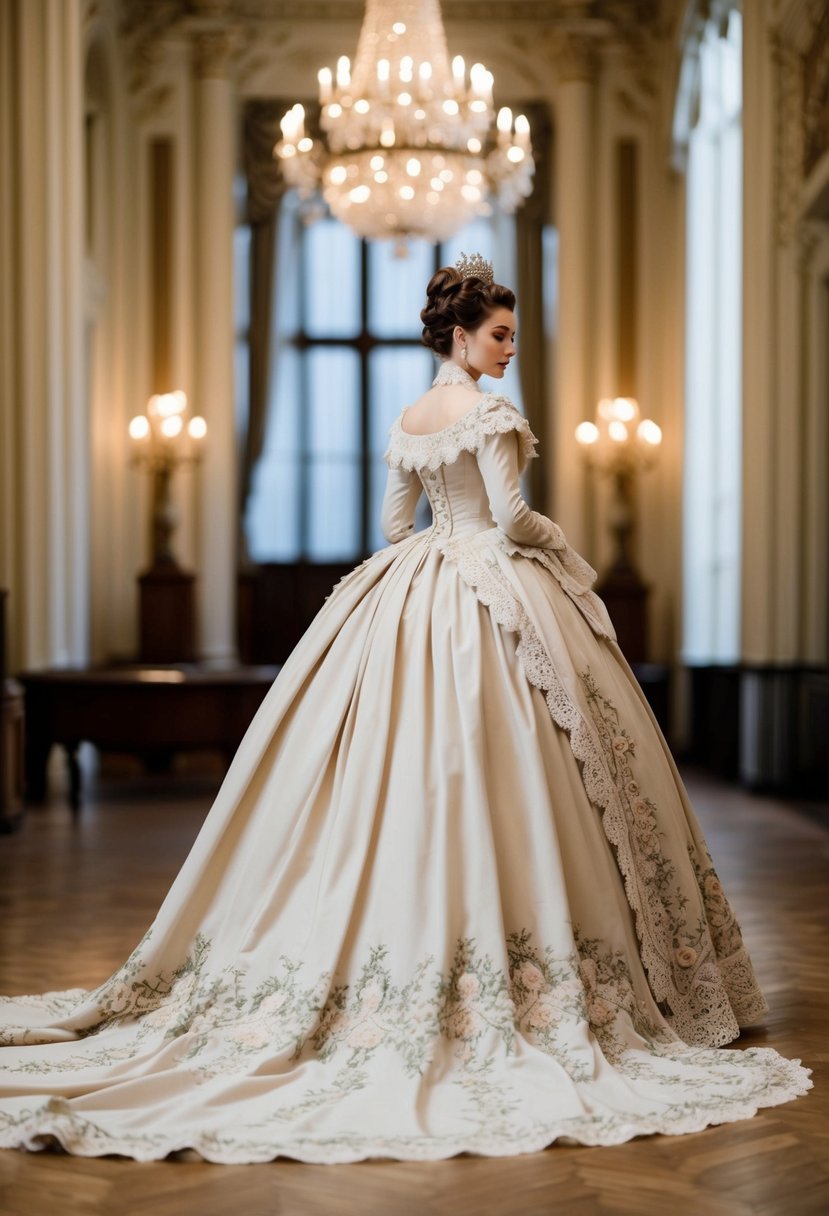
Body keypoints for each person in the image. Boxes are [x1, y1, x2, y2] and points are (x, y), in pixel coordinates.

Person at [0, 254, 810, 1164]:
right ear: (461, 337)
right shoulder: (494, 413)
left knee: (403, 767)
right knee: (532, 761)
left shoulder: (411, 418)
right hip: (494, 587)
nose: (508, 348)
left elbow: (395, 530)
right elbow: (509, 520)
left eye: (510, 334)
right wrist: (561, 552)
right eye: (498, 334)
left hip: (412, 594)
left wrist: (435, 555)